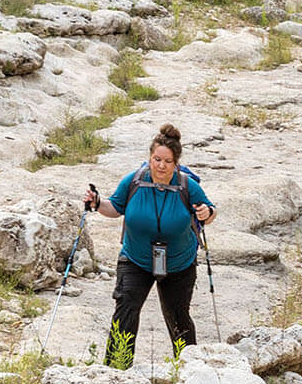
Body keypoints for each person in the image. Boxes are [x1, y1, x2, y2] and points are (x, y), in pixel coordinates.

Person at [85, 124, 216, 368]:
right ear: (150, 157)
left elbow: (209, 212)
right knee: (125, 310)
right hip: (136, 259)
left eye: (167, 161)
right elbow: (114, 207)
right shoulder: (133, 181)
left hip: (179, 263)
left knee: (179, 318)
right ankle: (116, 371)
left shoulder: (188, 186)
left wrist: (206, 212)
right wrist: (97, 202)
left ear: (176, 162)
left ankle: (190, 371)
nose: (161, 165)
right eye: (157, 159)